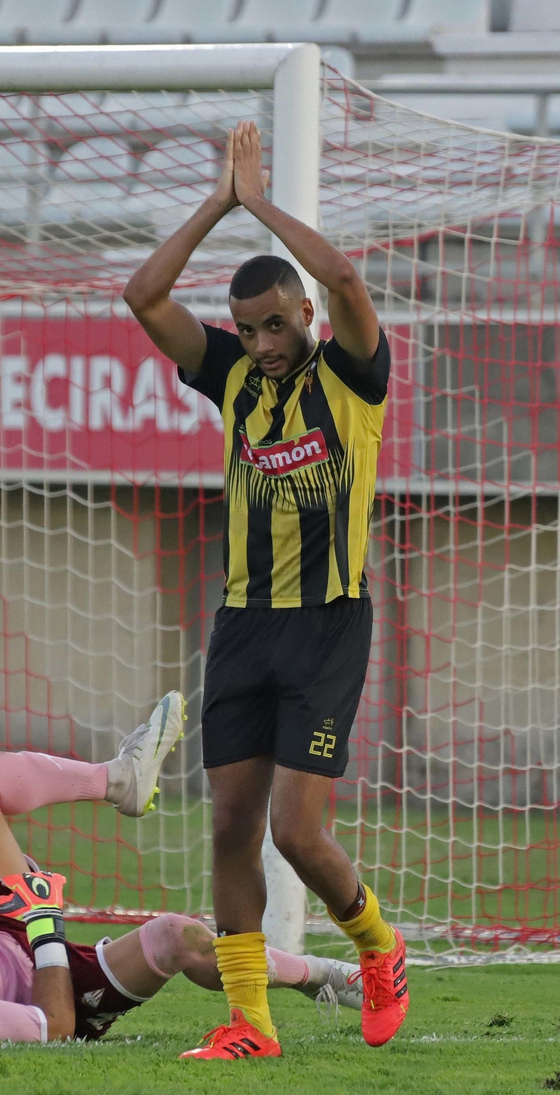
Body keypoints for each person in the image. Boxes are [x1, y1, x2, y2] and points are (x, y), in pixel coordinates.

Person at [121, 122, 410, 1060]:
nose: (262, 343)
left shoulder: (351, 374)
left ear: (304, 316)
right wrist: (217, 203)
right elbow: (143, 295)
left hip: (328, 625)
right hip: (244, 624)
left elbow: (350, 282)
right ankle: (250, 1023)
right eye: (247, 330)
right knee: (231, 826)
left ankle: (378, 946)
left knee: (296, 831)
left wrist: (260, 204)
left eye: (275, 325)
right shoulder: (234, 378)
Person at [0, 691, 361, 1044]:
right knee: (177, 938)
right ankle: (323, 975)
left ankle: (121, 779)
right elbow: (52, 1027)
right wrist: (44, 926)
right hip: (52, 985)